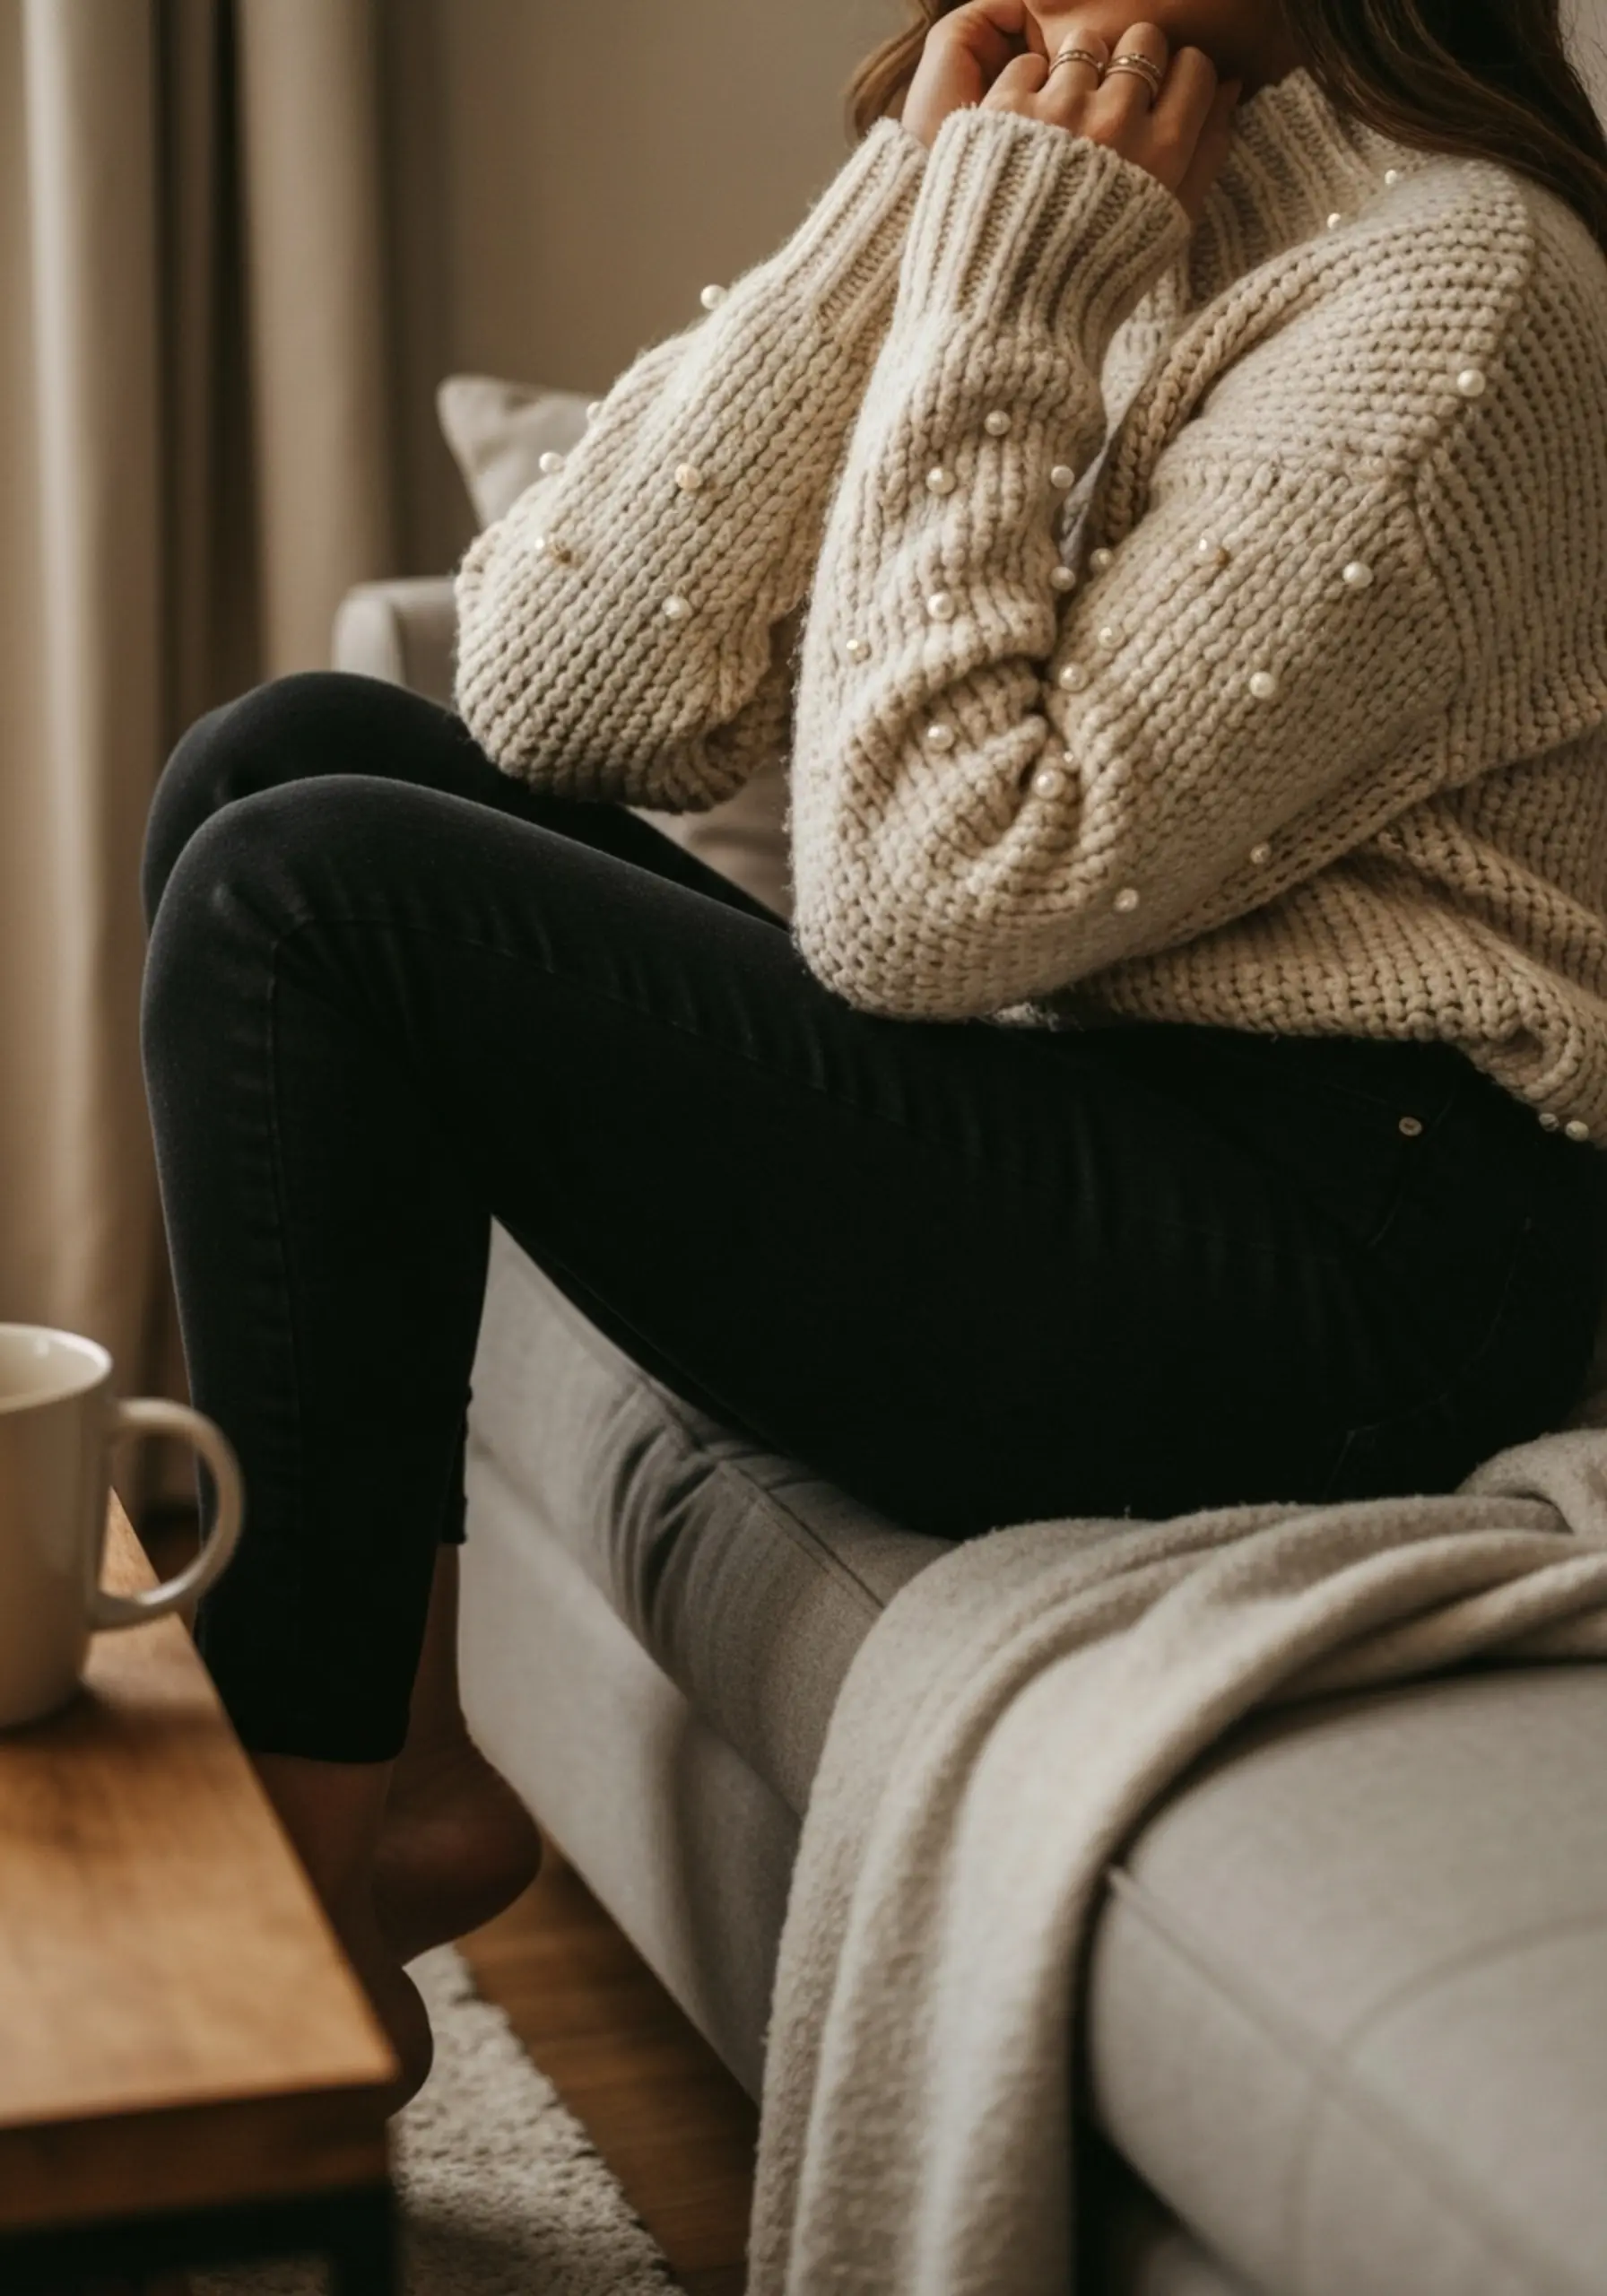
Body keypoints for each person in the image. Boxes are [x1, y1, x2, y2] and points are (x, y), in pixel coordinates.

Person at [141, 2, 1607, 2101]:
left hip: (1357, 1250)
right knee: (280, 764)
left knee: (316, 893)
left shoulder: (1453, 283)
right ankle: (395, 1766)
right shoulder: (1116, 190)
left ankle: (275, 1917)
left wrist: (999, 269)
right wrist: (894, 227)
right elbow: (551, 694)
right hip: (1124, 1112)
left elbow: (930, 892)